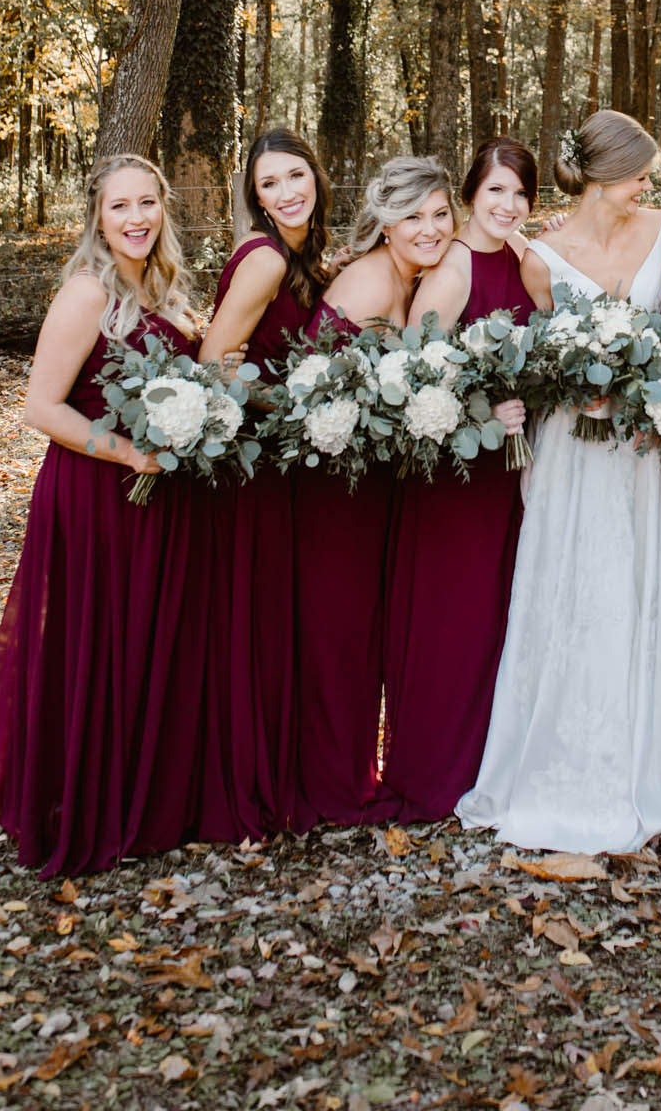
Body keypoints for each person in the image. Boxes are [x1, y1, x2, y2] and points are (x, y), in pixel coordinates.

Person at [458, 109, 661, 852]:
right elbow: (539, 358)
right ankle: (557, 764)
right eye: (637, 174)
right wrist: (574, 383)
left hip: (646, 448)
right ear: (602, 176)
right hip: (573, 446)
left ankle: (658, 756)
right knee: (573, 584)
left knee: (645, 581)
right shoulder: (541, 255)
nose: (648, 185)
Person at [0, 156, 211, 874]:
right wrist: (128, 454)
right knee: (97, 639)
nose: (135, 219)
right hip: (94, 490)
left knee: (142, 638)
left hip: (158, 497)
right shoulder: (86, 292)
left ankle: (143, 794)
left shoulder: (166, 288)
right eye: (119, 208)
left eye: (147, 204)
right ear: (97, 219)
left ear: (163, 209)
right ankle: (88, 798)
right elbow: (41, 407)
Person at [294, 156, 456, 828]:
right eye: (412, 216)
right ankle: (332, 783)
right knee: (338, 632)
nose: (429, 229)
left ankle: (351, 770)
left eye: (440, 214)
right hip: (334, 488)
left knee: (360, 632)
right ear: (385, 222)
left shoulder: (413, 277)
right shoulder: (366, 282)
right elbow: (309, 384)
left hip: (373, 482)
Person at [378, 137, 537, 821]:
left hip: (504, 476)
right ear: (472, 192)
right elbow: (414, 382)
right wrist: (481, 411)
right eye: (495, 190)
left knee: (492, 621)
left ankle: (483, 762)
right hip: (453, 478)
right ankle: (431, 771)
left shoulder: (523, 262)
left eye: (520, 193)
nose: (508, 204)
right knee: (452, 620)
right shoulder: (454, 268)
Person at [197, 130, 332, 839]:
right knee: (254, 618)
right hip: (250, 462)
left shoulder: (300, 254)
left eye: (295, 175)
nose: (286, 192)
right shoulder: (265, 259)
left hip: (276, 463)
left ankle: (270, 766)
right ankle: (246, 777)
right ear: (254, 198)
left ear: (316, 175)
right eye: (269, 184)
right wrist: (298, 403)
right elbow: (213, 364)